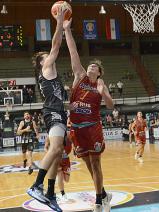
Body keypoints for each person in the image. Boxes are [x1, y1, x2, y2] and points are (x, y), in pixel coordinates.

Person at [64, 17, 114, 212]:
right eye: (90, 65)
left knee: (96, 162)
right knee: (86, 163)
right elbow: (73, 52)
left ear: (100, 72)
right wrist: (67, 30)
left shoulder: (101, 85)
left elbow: (110, 105)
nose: (91, 66)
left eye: (95, 67)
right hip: (76, 128)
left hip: (93, 127)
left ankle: (99, 202)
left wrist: (104, 95)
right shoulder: (80, 76)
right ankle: (103, 193)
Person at [26, 7, 67, 212]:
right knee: (56, 150)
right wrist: (60, 22)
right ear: (43, 62)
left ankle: (51, 194)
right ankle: (36, 185)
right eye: (46, 55)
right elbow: (56, 45)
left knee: (57, 154)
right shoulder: (46, 67)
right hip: (53, 111)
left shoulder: (49, 74)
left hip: (56, 110)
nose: (49, 56)